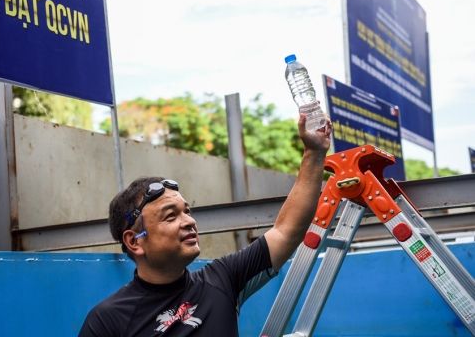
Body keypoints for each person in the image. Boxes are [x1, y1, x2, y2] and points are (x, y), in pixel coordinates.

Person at [79, 114, 332, 336]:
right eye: (171, 216)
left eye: (187, 211)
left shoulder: (222, 280)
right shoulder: (106, 321)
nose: (188, 221)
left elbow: (286, 231)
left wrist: (314, 153)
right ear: (134, 241)